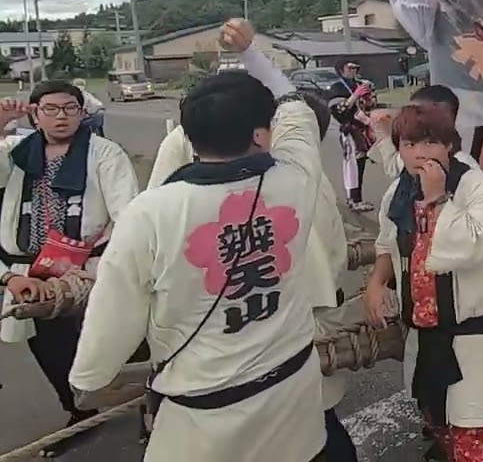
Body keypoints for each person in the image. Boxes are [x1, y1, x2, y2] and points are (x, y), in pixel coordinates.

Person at [69, 19, 328, 462]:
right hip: (292, 395)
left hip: (204, 414)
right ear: (260, 134)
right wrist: (250, 52)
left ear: (187, 136)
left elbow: (116, 309)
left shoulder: (151, 212)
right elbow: (293, 104)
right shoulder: (296, 178)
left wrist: (89, 379)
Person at [143, 93, 357, 460]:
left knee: (302, 422)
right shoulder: (302, 180)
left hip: (264, 332)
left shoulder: (277, 184)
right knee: (310, 421)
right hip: (290, 321)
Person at [364, 103, 483, 462]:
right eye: (409, 144)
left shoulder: (472, 184)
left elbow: (474, 246)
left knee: (472, 427)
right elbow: (388, 239)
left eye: (429, 143)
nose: (418, 154)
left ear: (449, 145)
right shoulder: (402, 186)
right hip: (423, 329)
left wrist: (437, 199)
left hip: (469, 333)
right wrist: (377, 282)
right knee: (435, 414)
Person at [0, 80, 139, 455]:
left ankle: (141, 404)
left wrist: (109, 265)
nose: (61, 116)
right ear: (35, 113)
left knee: (114, 339)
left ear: (82, 112)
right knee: (48, 346)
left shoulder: (104, 153)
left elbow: (128, 213)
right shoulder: (16, 153)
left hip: (91, 268)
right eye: (51, 109)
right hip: (33, 273)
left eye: (69, 108)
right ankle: (78, 409)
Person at [367, 85, 475, 179]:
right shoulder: (413, 154)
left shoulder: (468, 172)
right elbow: (395, 167)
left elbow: (394, 168)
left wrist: (437, 197)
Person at [329, 61, 376, 211]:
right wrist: (355, 95)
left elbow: (370, 106)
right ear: (341, 70)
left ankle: (358, 199)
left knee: (361, 164)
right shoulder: (337, 88)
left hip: (363, 130)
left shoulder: (360, 84)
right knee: (352, 165)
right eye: (350, 68)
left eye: (356, 67)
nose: (354, 70)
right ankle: (353, 200)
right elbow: (339, 111)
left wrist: (368, 98)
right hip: (349, 130)